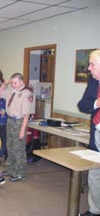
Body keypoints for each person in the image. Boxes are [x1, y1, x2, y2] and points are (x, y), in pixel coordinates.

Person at [78, 49, 100, 216]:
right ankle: (95, 210)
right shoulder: (93, 82)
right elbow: (83, 105)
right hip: (97, 133)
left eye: (92, 64)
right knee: (94, 174)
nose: (88, 68)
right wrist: (96, 103)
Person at [1, 73, 32, 182]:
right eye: (12, 82)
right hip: (10, 120)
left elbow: (26, 114)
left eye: (15, 83)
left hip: (19, 122)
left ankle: (20, 172)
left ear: (22, 82)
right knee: (10, 146)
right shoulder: (12, 91)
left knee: (18, 148)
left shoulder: (26, 94)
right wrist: (4, 84)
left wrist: (22, 130)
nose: (13, 85)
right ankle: (11, 168)